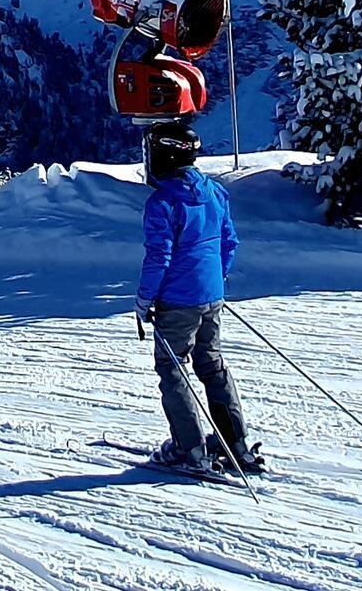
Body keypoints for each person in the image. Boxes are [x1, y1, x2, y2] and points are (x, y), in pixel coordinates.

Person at [136, 121, 264, 475]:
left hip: (177, 300)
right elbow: (229, 243)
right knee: (212, 365)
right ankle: (236, 443)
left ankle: (189, 450)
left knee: (173, 368)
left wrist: (144, 300)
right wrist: (215, 282)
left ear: (163, 153)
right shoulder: (214, 192)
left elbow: (158, 257)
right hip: (211, 296)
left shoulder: (162, 202)